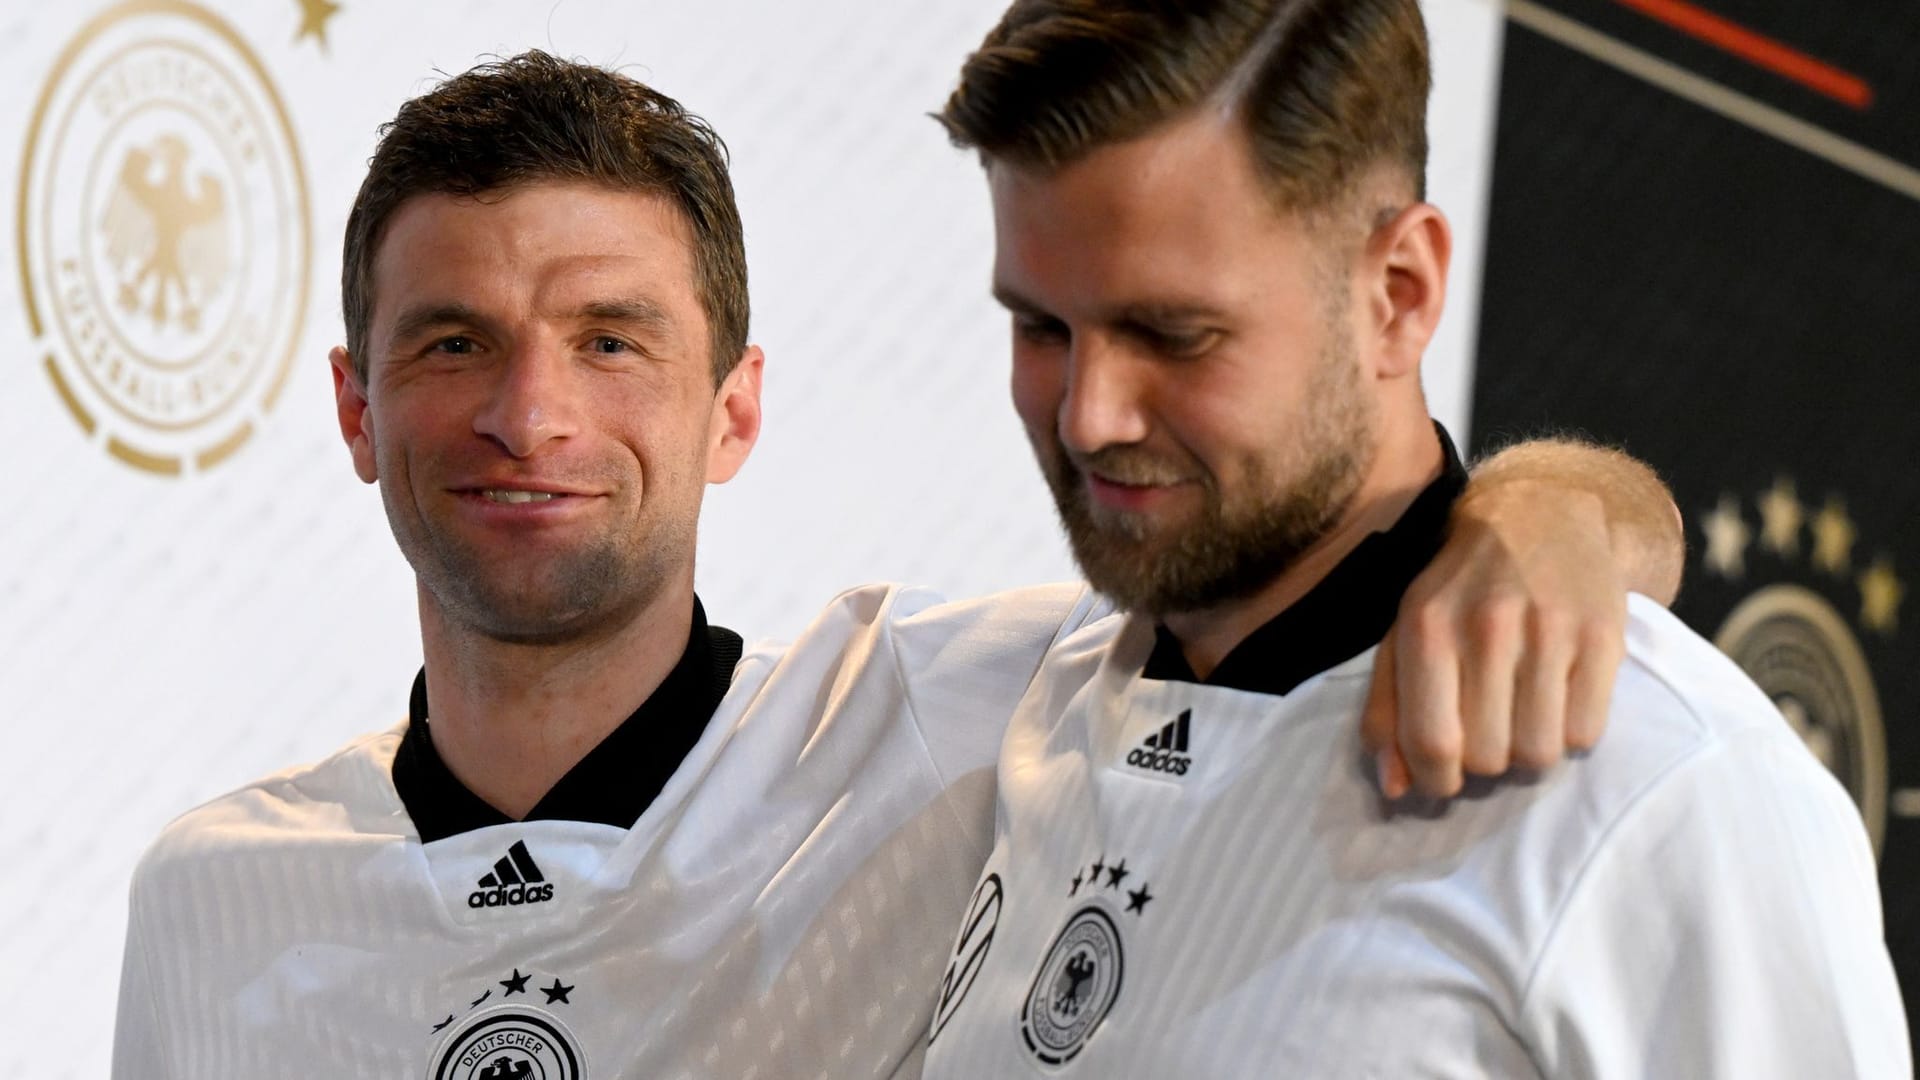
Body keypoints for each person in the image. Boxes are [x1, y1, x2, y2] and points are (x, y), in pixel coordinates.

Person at [112, 51, 1684, 1079]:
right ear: (353, 408)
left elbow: (1352, 570)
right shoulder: (215, 898)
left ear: (737, 406)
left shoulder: (961, 723)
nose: (534, 414)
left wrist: (1541, 511)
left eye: (611, 341)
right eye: (456, 342)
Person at [917, 2, 1908, 1077]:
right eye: (1040, 327)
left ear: (1400, 293)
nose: (1088, 415)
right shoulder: (989, 711)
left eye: (1173, 333)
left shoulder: (1664, 790)